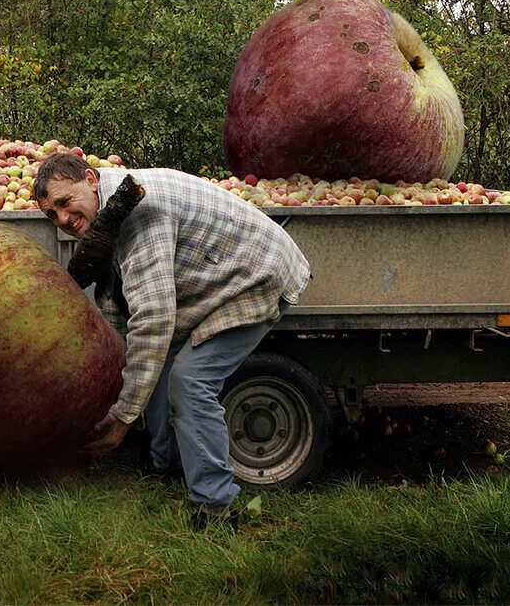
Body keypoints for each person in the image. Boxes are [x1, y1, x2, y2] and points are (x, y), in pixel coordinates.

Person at [35, 153, 311, 530]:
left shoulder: (139, 210)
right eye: (52, 215)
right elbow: (121, 302)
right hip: (216, 280)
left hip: (256, 277)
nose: (63, 219)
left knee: (189, 381)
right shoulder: (110, 210)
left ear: (90, 179)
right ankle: (166, 462)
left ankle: (215, 508)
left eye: (65, 203)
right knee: (160, 361)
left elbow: (152, 318)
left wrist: (124, 414)